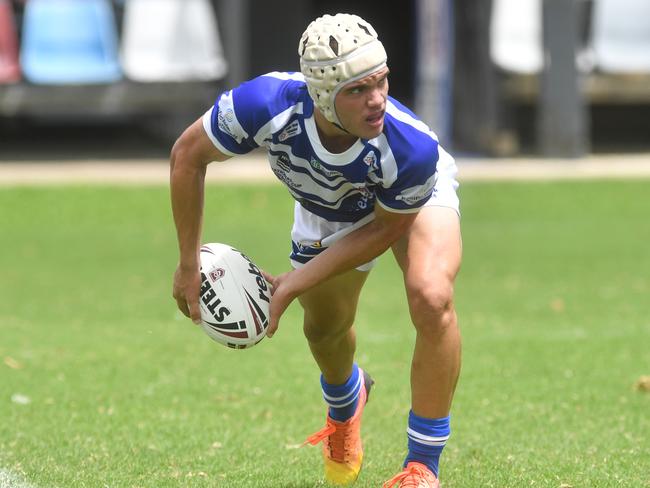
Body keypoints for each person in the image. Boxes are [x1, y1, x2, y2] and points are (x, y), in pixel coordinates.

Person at [170, 13, 462, 488]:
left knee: (432, 295)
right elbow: (187, 155)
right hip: (325, 208)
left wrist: (288, 285)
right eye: (357, 91)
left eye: (381, 81)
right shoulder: (264, 104)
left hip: (403, 204)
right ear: (322, 94)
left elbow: (384, 229)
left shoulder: (410, 147)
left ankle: (421, 466)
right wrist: (187, 265)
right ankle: (347, 403)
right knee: (324, 331)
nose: (377, 100)